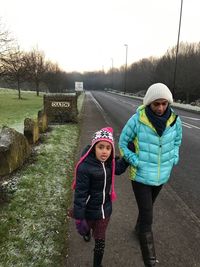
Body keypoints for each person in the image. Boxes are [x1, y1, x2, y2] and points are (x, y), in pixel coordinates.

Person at [118, 83, 182, 267]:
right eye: (156, 104)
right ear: (149, 103)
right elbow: (123, 143)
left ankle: (138, 229)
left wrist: (174, 158)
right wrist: (134, 160)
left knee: (148, 207)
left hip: (162, 176)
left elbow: (177, 141)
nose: (160, 108)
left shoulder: (175, 121)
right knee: (148, 214)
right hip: (140, 176)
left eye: (164, 103)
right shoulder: (137, 119)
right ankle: (149, 259)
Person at [72, 127, 128, 267]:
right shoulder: (85, 167)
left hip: (105, 211)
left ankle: (97, 264)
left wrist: (128, 156)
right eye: (101, 147)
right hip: (89, 210)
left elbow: (119, 168)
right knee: (85, 230)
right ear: (93, 148)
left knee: (100, 240)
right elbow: (80, 194)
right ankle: (86, 232)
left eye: (108, 148)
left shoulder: (110, 163)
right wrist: (79, 217)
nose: (104, 151)